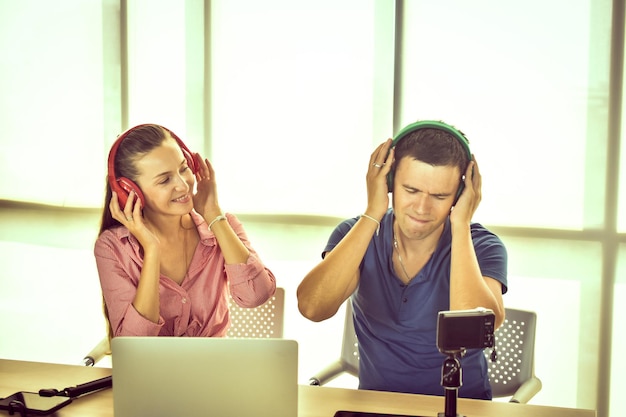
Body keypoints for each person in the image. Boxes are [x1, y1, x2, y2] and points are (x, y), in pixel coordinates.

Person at [297, 120, 507, 400]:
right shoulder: (356, 235)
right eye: (411, 190)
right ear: (389, 181)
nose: (422, 208)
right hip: (376, 404)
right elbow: (313, 308)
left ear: (460, 195)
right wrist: (373, 211)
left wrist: (461, 225)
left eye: (440, 196)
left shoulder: (482, 245)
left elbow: (472, 333)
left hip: (461, 405)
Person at [95, 123, 276, 338]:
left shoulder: (223, 226)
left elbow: (257, 295)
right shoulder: (113, 247)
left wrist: (213, 214)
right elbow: (134, 344)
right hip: (151, 372)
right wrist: (151, 250)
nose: (183, 185)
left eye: (184, 168)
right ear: (130, 191)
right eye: (164, 179)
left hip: (214, 369)